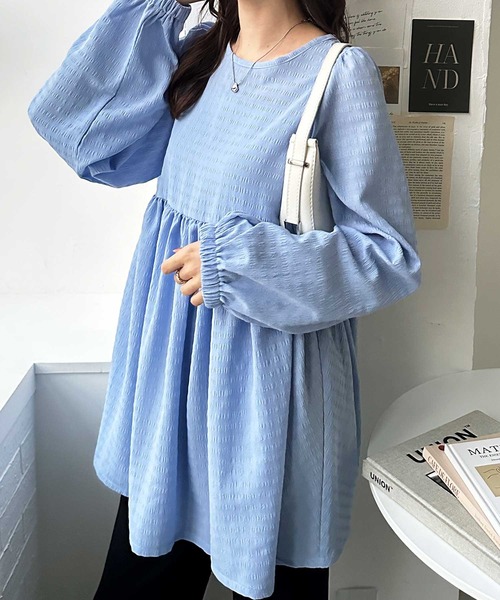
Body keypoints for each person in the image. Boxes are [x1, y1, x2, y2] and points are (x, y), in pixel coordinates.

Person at [27, 0, 422, 598]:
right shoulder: (199, 53)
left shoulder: (338, 74)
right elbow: (80, 133)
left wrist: (238, 262)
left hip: (269, 396)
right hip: (171, 390)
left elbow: (387, 255)